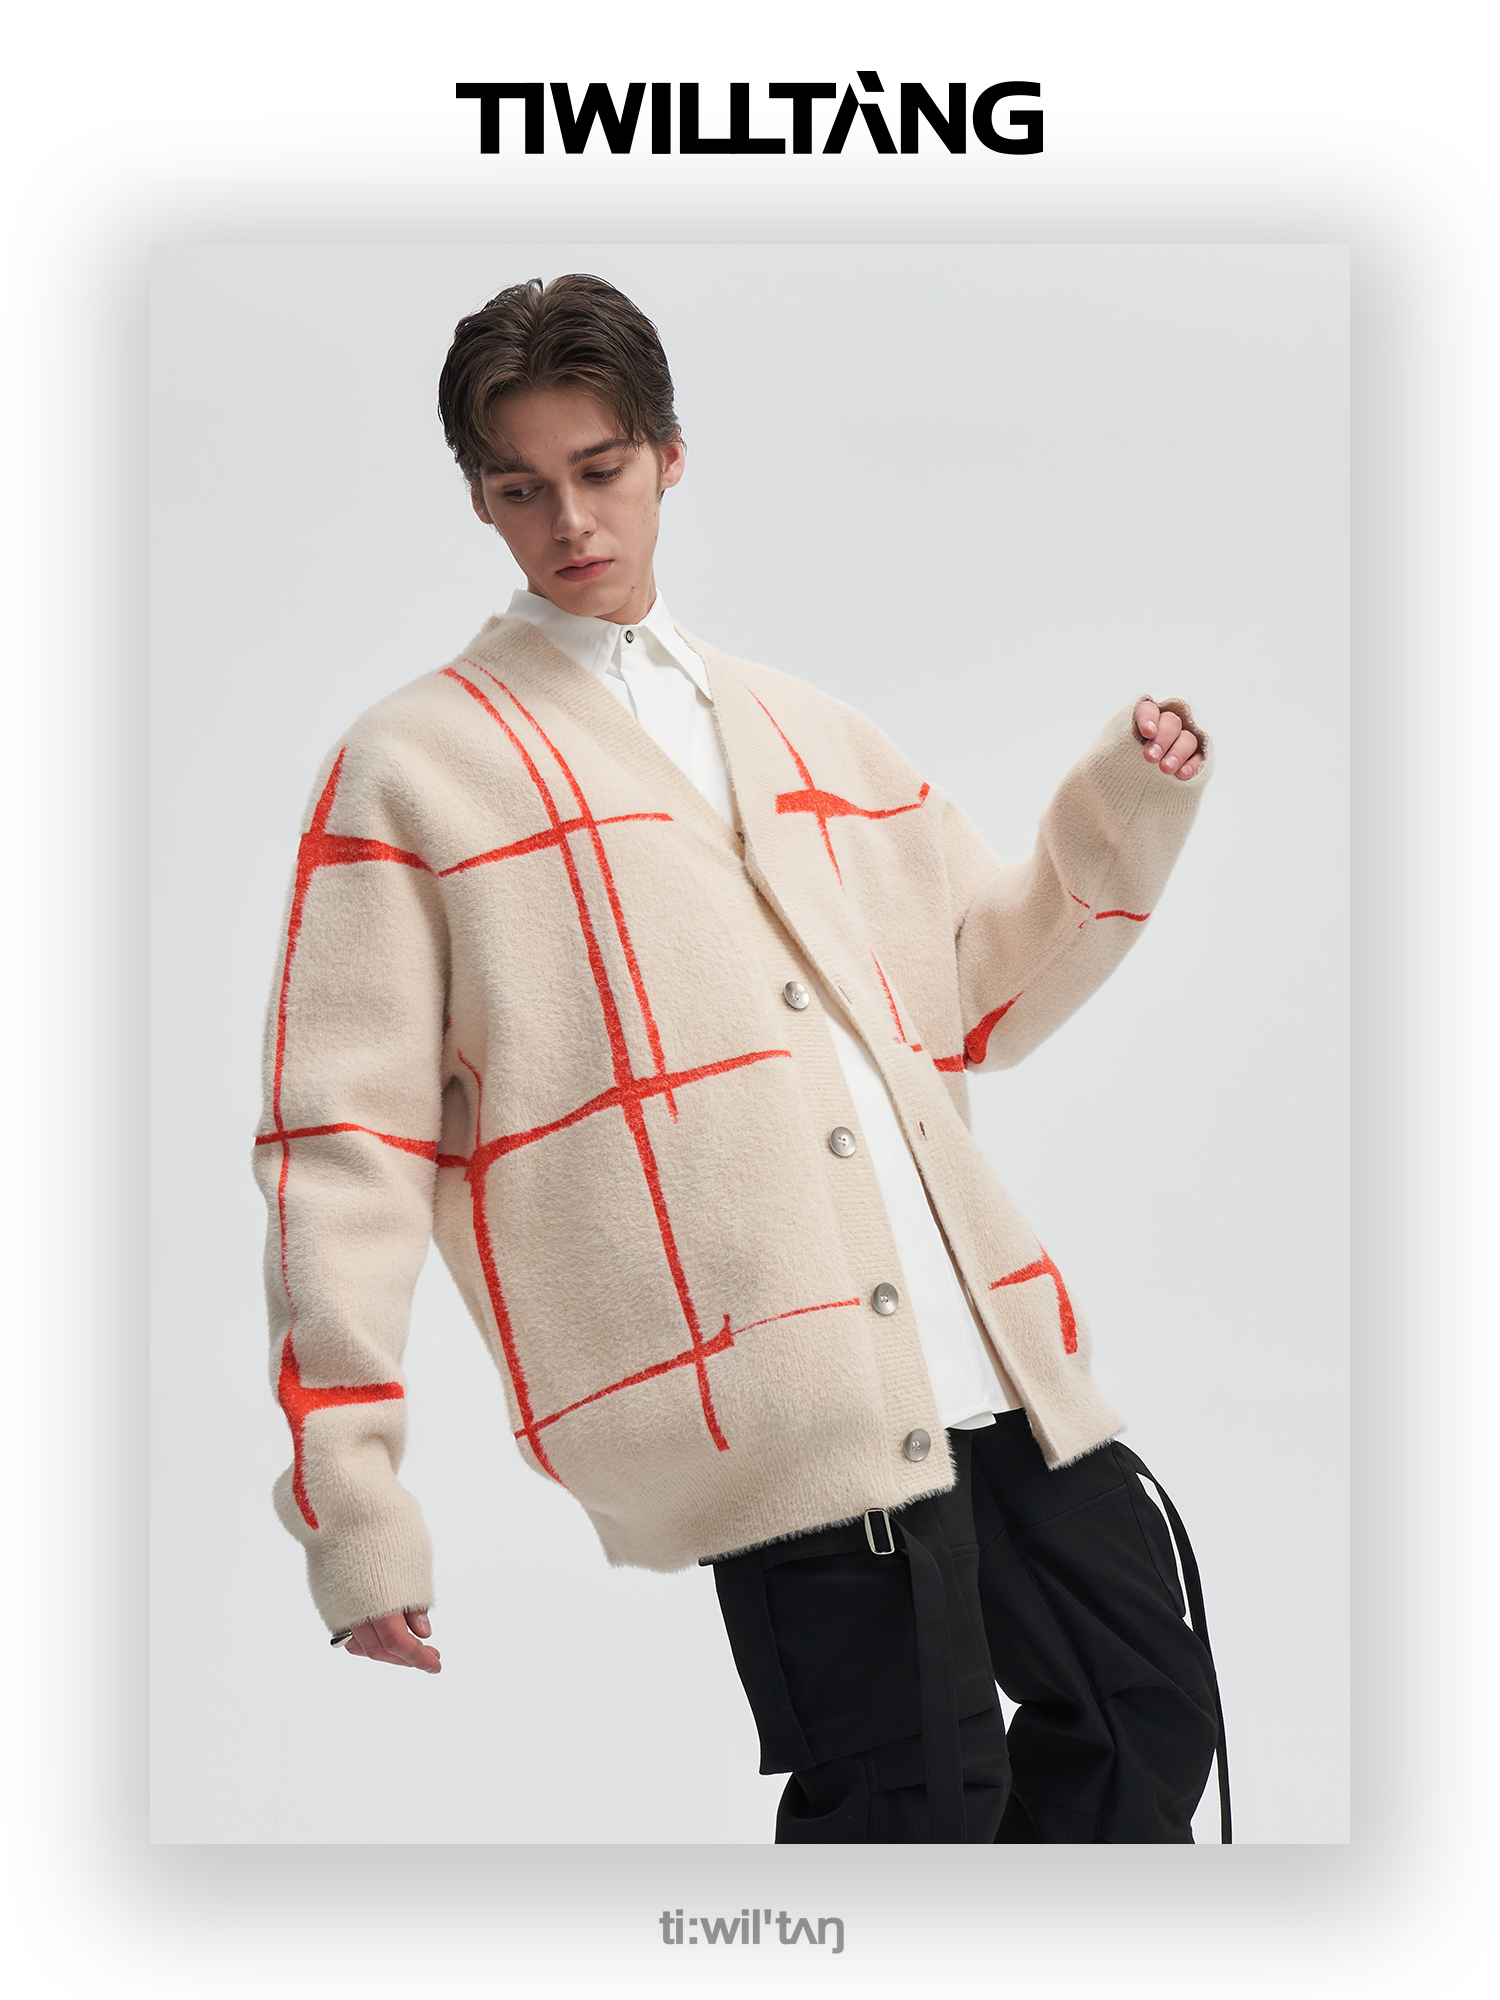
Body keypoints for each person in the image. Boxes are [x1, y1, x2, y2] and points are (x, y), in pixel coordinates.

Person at [255, 272, 1227, 1843]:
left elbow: (975, 999)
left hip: (991, 1368)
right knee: (913, 1804)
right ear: (480, 499)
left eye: (601, 468)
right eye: (522, 487)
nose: (571, 520)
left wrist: (1123, 807)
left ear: (669, 455)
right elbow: (343, 1150)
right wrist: (353, 1507)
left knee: (1145, 1722)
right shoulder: (414, 768)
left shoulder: (803, 728)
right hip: (781, 1408)